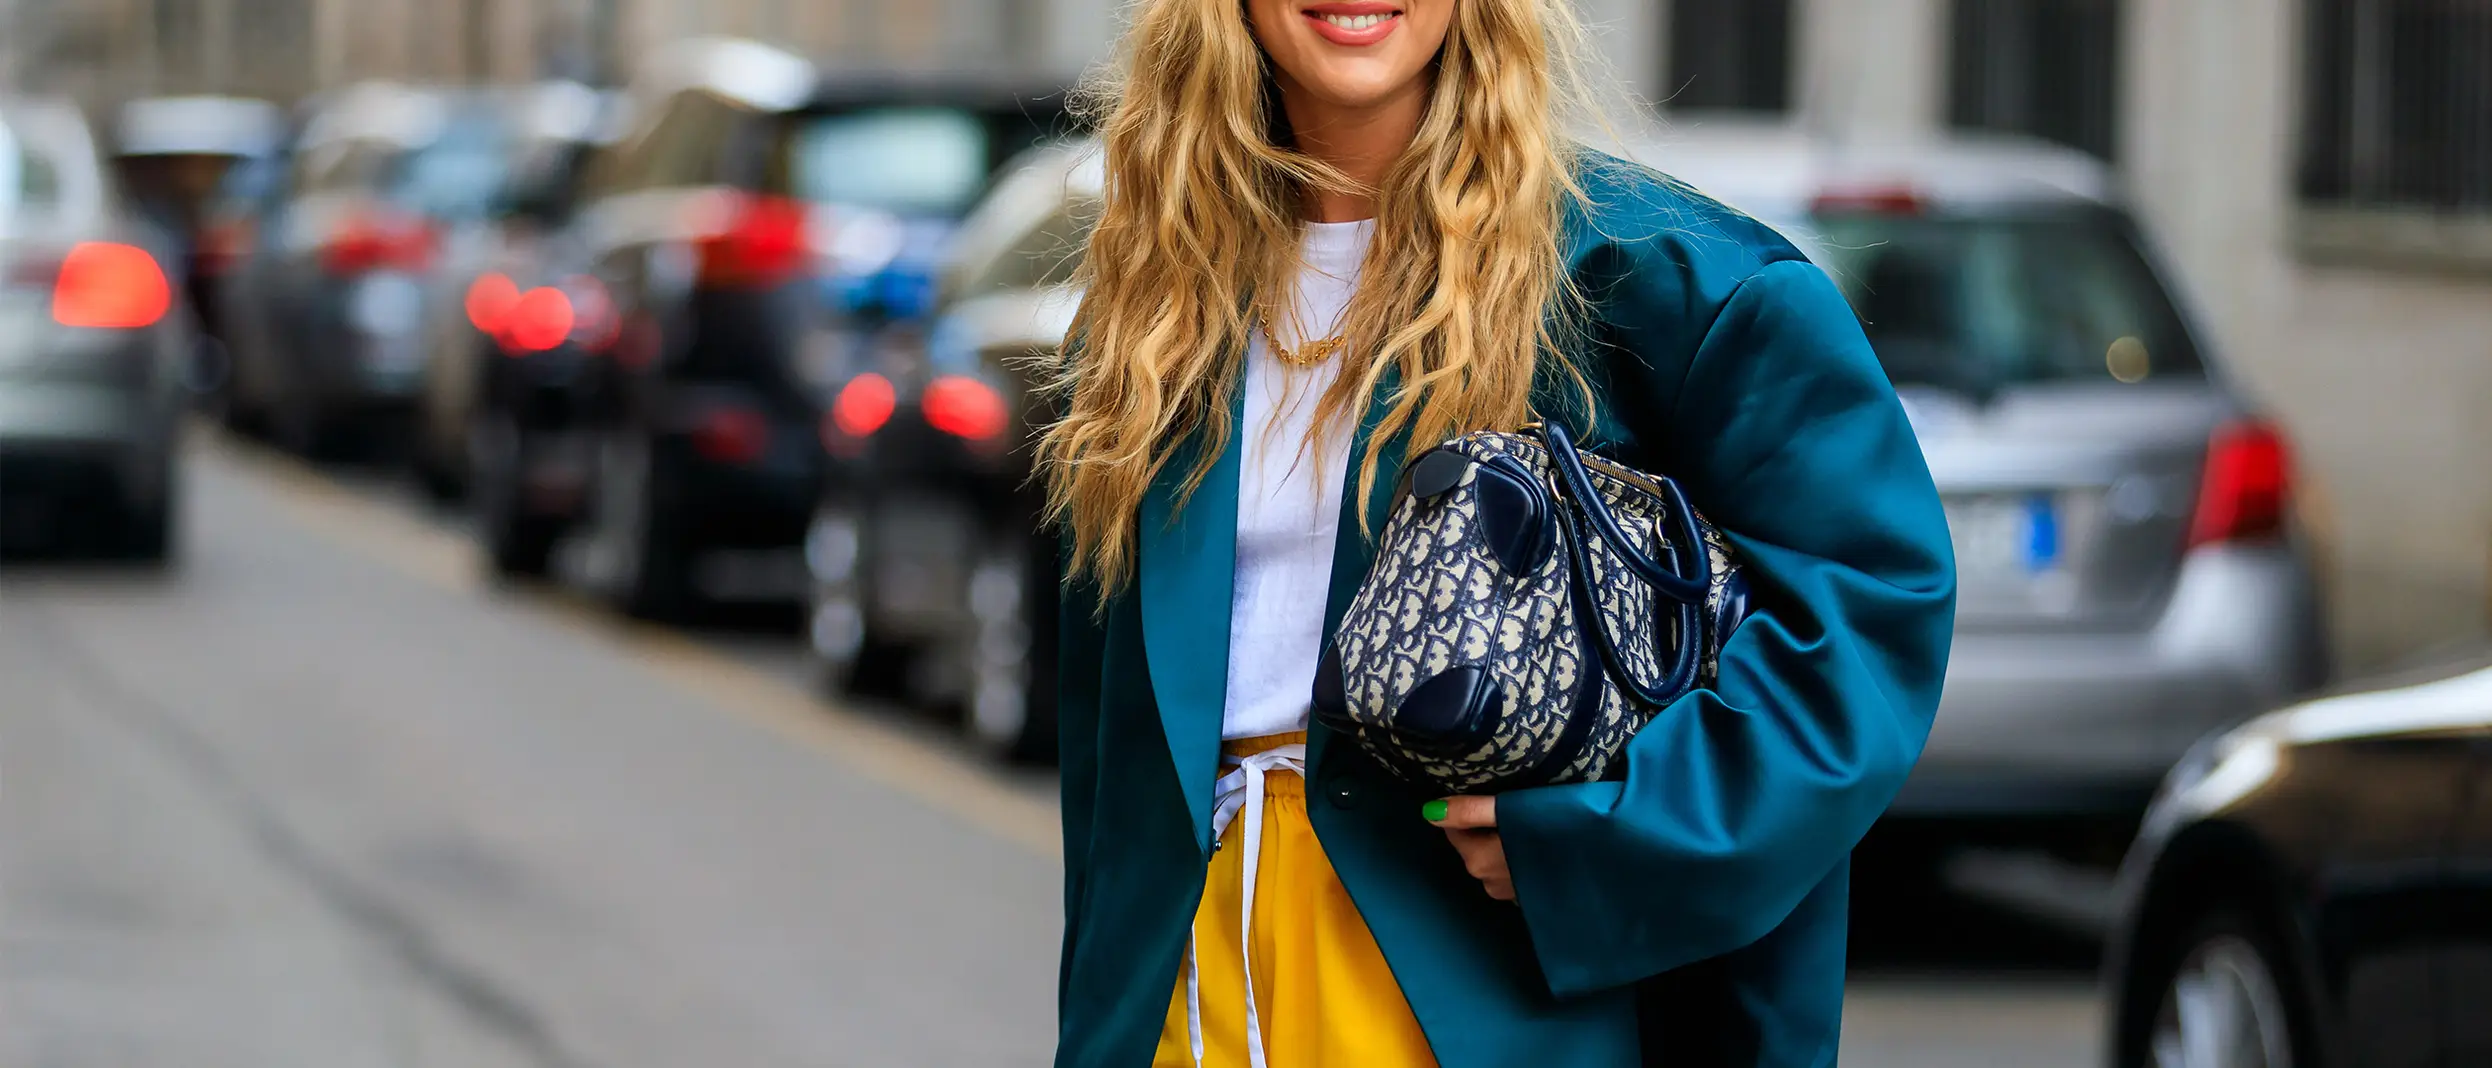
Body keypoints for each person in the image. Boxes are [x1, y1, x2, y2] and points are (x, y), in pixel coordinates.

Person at [1035, 0, 1957, 1064]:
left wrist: (1613, 832)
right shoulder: (1154, 302)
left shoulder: (1653, 278)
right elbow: (1108, 747)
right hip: (1182, 981)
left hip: (1479, 993)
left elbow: (1865, 617)